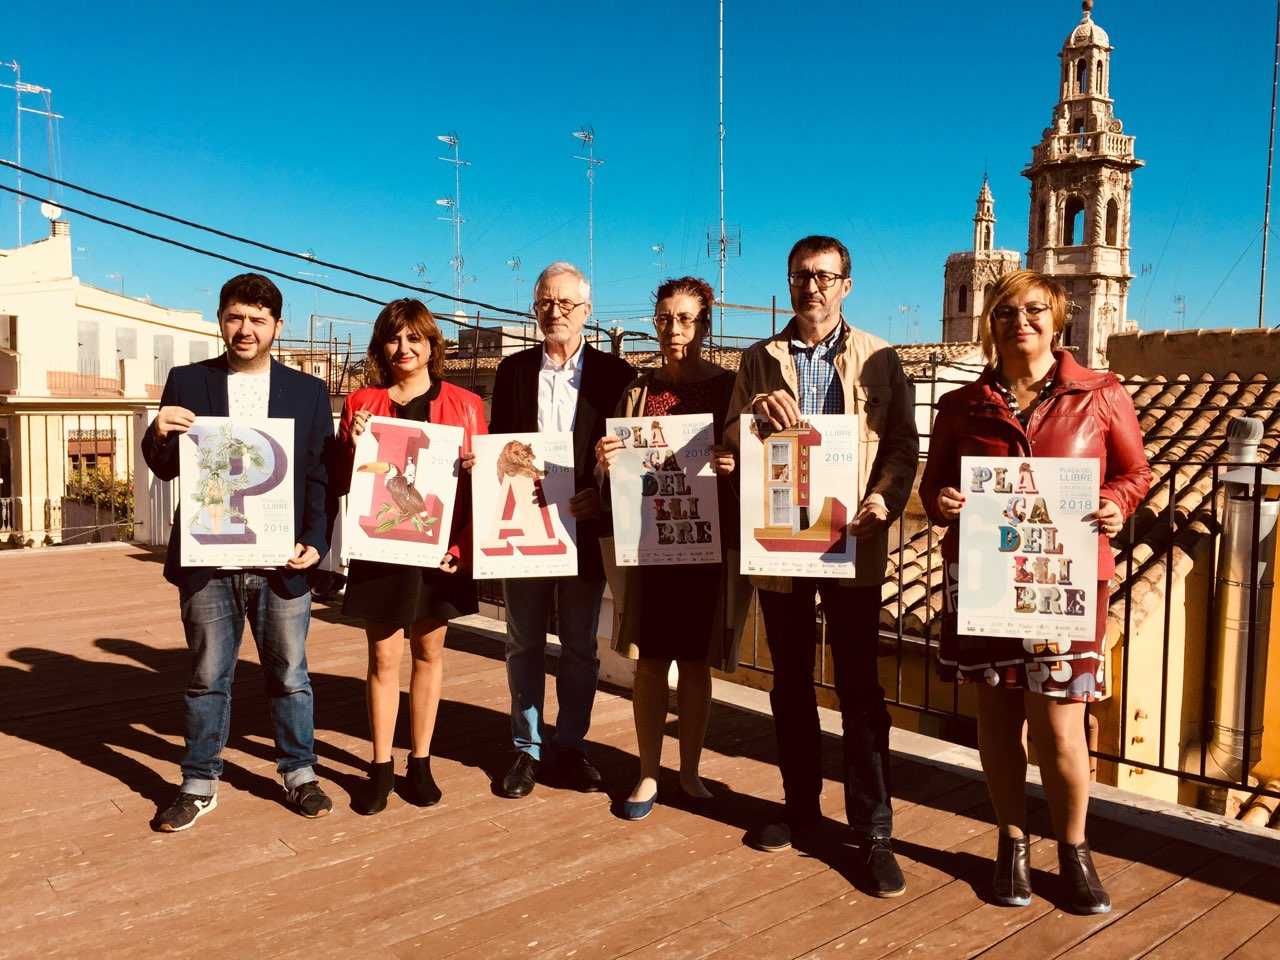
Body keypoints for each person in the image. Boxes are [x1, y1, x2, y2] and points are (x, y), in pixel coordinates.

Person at [920, 269, 1150, 914]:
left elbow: (1135, 472)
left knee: (1059, 727)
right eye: (1006, 312)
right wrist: (941, 501)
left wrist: (1112, 504)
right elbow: (933, 486)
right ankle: (1011, 843)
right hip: (987, 581)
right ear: (990, 322)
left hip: (1065, 586)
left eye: (1033, 311)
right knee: (996, 722)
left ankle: (1074, 851)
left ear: (1057, 320)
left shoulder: (1101, 394)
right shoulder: (961, 405)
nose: (1019, 322)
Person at [724, 236, 918, 897]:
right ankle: (801, 811)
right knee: (790, 683)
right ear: (789, 283)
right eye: (802, 276)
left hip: (853, 543)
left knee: (860, 692)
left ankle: (874, 832)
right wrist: (751, 414)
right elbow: (728, 436)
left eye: (825, 277)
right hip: (781, 544)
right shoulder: (759, 359)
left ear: (846, 285)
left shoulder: (882, 360)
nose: (813, 287)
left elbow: (900, 448)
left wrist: (885, 499)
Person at [141, 272, 336, 831]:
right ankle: (199, 781)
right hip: (209, 560)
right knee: (207, 676)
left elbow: (321, 476)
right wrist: (158, 433)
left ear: (277, 326)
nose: (245, 329)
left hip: (281, 561)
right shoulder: (188, 380)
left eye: (257, 319)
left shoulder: (307, 391)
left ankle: (298, 771)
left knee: (292, 674)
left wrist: (317, 542)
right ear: (221, 320)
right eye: (235, 317)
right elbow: (167, 467)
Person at [595, 276, 748, 821]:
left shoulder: (731, 388)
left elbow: (749, 459)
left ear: (705, 324)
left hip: (708, 545)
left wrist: (735, 464)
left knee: (698, 661)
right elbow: (611, 472)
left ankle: (690, 771)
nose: (673, 329)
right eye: (664, 318)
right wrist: (605, 458)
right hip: (652, 543)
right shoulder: (638, 389)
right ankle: (647, 772)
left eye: (685, 318)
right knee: (651, 662)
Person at [334, 299, 488, 815]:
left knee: (429, 654)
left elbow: (482, 489)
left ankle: (419, 762)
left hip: (439, 550)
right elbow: (341, 481)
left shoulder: (466, 405)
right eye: (394, 339)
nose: (405, 349)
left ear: (431, 345)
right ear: (381, 346)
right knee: (382, 658)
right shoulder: (362, 404)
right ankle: (380, 766)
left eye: (415, 338)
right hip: (381, 548)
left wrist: (462, 547)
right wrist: (349, 445)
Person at [488, 261, 634, 798]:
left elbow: (627, 456)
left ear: (587, 312)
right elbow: (497, 445)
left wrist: (602, 494)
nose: (556, 312)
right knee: (522, 641)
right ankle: (526, 748)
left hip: (583, 527)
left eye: (566, 303)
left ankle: (570, 744)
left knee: (579, 646)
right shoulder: (512, 372)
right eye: (546, 302)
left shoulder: (616, 376)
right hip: (523, 529)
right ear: (534, 308)